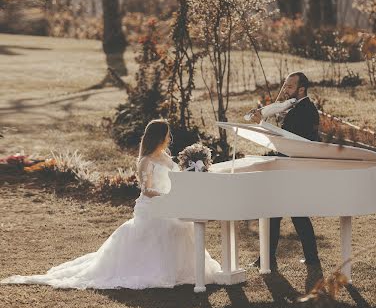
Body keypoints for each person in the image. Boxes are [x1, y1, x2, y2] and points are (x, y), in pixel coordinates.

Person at [1, 119, 221, 289]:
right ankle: (161, 270)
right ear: (158, 137)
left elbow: (175, 177)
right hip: (154, 205)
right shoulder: (145, 161)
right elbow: (147, 190)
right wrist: (168, 197)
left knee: (183, 226)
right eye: (166, 134)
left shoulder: (165, 156)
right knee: (168, 227)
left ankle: (187, 270)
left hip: (170, 203)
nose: (169, 138)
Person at [251, 72, 320, 271]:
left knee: (285, 213)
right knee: (286, 213)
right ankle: (274, 258)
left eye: (289, 87)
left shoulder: (305, 110)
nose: (285, 90)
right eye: (285, 85)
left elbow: (288, 139)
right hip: (290, 167)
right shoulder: (297, 107)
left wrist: (261, 124)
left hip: (294, 167)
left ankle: (269, 259)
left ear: (301, 89)